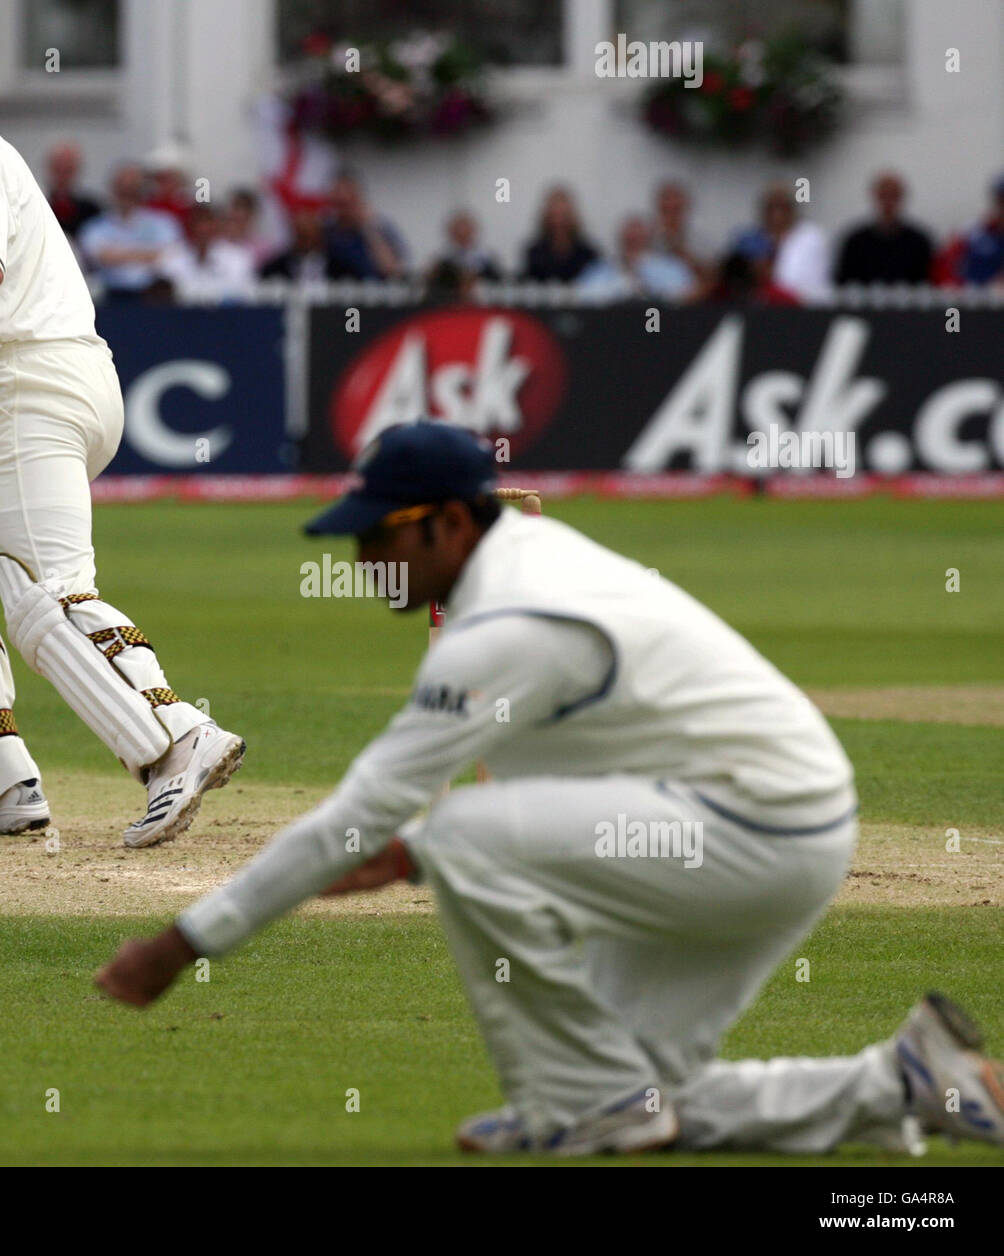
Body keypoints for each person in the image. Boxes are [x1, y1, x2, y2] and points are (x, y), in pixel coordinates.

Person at [97, 421, 1004, 1157]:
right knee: (656, 1092)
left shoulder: (511, 627)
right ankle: (904, 1083)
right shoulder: (532, 558)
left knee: (464, 832)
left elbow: (365, 811)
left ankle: (579, 1108)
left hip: (750, 829)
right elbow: (543, 770)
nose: (367, 556)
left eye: (383, 535)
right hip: (765, 825)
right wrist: (408, 853)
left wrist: (186, 943)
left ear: (451, 523)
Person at [0, 0, 244, 847]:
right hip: (51, 386)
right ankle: (4, 787)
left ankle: (179, 740)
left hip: (26, 388)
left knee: (48, 596)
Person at [77, 163, 182, 301]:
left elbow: (169, 256)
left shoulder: (164, 223)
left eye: (132, 189)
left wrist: (117, 254)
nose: (127, 194)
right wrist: (146, 255)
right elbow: (97, 256)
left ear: (142, 190)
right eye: (122, 189)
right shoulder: (94, 227)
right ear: (113, 190)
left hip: (151, 297)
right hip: (108, 297)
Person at [834, 172, 933, 286]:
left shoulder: (919, 242)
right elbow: (843, 284)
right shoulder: (855, 242)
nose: (888, 202)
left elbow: (927, 284)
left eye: (893, 196)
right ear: (875, 197)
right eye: (883, 195)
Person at [574, 215, 696, 301]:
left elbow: (686, 294)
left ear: (648, 239)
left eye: (638, 238)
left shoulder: (670, 267)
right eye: (629, 238)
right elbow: (582, 295)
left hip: (656, 325)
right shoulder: (602, 268)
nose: (633, 239)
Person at [322, 169, 409, 280]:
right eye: (339, 204)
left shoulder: (380, 227)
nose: (344, 210)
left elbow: (391, 269)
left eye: (348, 202)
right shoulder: (326, 231)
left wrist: (368, 228)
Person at [158, 203, 255, 302]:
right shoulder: (171, 255)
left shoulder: (237, 257)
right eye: (197, 224)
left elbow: (243, 293)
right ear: (189, 226)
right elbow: (170, 291)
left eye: (207, 223)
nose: (202, 229)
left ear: (216, 226)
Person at [521, 185, 599, 282]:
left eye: (564, 216)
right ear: (546, 217)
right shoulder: (534, 254)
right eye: (555, 215)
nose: (559, 222)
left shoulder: (587, 254)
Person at [43, 142, 102, 242]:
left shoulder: (91, 209)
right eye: (58, 168)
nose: (63, 175)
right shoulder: (39, 204)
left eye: (68, 169)